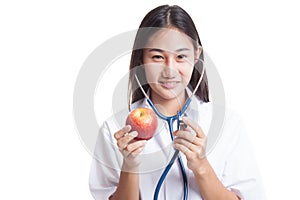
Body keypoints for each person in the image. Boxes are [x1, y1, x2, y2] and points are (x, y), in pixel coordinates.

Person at [89, 5, 265, 200]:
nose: (169, 70)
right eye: (157, 57)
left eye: (181, 57)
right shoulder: (115, 129)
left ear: (196, 55)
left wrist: (201, 166)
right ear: (141, 59)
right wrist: (130, 166)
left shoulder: (228, 124)